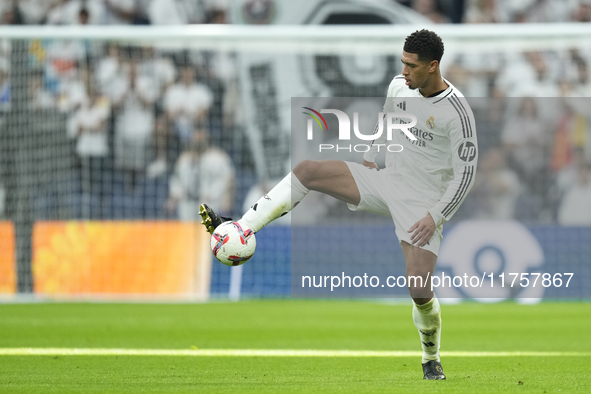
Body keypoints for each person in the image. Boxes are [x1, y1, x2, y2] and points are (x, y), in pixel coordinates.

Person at [200, 29, 478, 380]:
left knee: (420, 290)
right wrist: (371, 154)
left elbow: (465, 177)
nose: (404, 71)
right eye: (402, 63)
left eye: (411, 66)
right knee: (308, 170)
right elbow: (388, 121)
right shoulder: (399, 86)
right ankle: (241, 227)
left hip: (424, 204)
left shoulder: (457, 113)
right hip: (387, 181)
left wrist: (435, 216)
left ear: (433, 66)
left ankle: (430, 358)